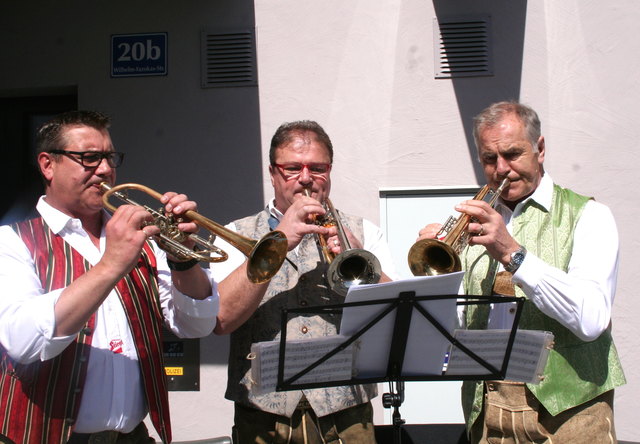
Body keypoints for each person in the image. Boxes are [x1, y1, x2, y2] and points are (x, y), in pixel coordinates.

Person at [0, 111, 220, 444]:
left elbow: (196, 326)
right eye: (89, 158)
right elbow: (24, 341)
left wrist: (183, 258)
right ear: (48, 165)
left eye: (109, 157)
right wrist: (111, 264)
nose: (105, 170)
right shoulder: (12, 241)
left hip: (131, 436)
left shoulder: (139, 238)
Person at [416, 101, 626, 443]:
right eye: (489, 159)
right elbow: (455, 332)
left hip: (571, 416)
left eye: (513, 154)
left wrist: (512, 253)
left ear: (539, 149)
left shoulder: (590, 215)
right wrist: (438, 282)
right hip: (490, 417)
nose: (501, 169)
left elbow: (591, 320)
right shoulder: (471, 225)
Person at [210, 120, 398, 444]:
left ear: (330, 171)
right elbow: (221, 318)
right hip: (263, 419)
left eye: (318, 168)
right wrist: (279, 239)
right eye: (293, 168)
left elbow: (397, 315)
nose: (307, 178)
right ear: (273, 173)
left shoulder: (364, 231)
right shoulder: (235, 232)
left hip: (347, 418)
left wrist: (361, 256)